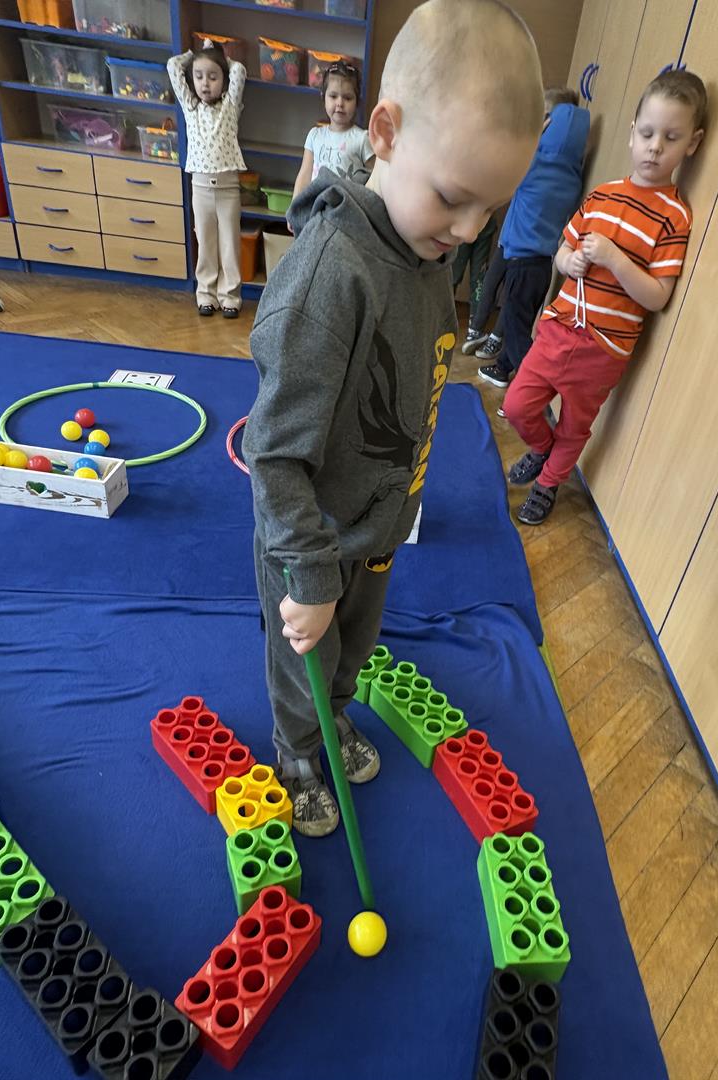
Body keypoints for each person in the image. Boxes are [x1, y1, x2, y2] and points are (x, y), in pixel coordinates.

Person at [243, 0, 544, 837]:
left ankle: (332, 714)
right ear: (384, 132)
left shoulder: (426, 242)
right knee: (304, 657)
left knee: (353, 645)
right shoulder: (328, 278)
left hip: (376, 523)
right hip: (309, 534)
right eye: (455, 198)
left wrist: (392, 513)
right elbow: (275, 454)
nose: (469, 230)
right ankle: (297, 748)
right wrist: (308, 576)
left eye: (490, 210)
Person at [504, 69, 707, 525]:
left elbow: (657, 296)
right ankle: (542, 448)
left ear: (692, 144)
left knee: (575, 425)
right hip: (559, 329)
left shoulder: (675, 216)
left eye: (671, 137)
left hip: (604, 349)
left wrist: (615, 259)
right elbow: (562, 250)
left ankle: (548, 483)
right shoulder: (602, 195)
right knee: (517, 405)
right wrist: (568, 262)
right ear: (632, 134)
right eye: (648, 133)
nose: (655, 147)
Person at [467, 87, 590, 386]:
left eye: (542, 117)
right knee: (519, 323)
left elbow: (502, 156)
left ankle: (531, 387)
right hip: (542, 266)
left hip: (521, 265)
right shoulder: (572, 175)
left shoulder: (533, 165)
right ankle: (502, 368)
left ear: (550, 125)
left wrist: (530, 137)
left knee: (516, 330)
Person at [167, 40, 246, 318]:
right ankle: (206, 294)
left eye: (213, 77)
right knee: (205, 242)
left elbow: (239, 71)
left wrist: (219, 56)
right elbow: (173, 66)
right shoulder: (191, 107)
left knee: (230, 245)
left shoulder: (230, 106)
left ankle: (230, 296)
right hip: (200, 188)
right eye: (199, 77)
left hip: (228, 189)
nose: (205, 83)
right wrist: (195, 55)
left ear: (223, 81)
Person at [289, 59, 374, 229]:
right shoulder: (315, 135)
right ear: (324, 97)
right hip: (316, 212)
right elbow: (304, 174)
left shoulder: (362, 138)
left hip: (348, 216)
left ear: (357, 101)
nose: (340, 103)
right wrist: (294, 209)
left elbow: (374, 179)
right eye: (333, 96)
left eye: (347, 98)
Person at [452, 212, 499, 331]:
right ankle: (474, 327)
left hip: (468, 221)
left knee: (457, 275)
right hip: (481, 220)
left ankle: (473, 325)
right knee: (475, 277)